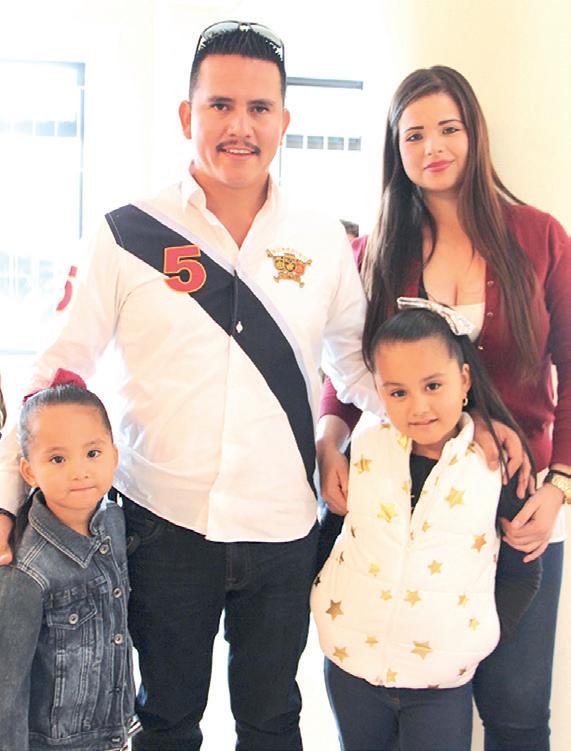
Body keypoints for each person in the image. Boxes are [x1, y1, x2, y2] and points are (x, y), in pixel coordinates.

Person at [0, 21, 381, 751]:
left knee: (273, 721)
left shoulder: (323, 240)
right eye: (220, 105)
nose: (241, 126)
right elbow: (53, 374)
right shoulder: (126, 233)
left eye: (259, 108)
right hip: (160, 524)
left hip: (282, 527)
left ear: (284, 121)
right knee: (166, 719)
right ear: (187, 115)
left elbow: (358, 371)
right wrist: (6, 499)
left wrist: (451, 429)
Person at [317, 66, 571, 750]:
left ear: (474, 133)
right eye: (413, 135)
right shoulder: (376, 251)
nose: (433, 146)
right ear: (394, 149)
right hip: (406, 508)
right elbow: (349, 367)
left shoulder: (540, 237)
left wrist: (560, 487)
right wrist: (328, 440)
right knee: (410, 702)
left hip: (518, 506)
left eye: (448, 128)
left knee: (517, 711)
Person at [312, 301, 542, 751]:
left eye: (433, 386)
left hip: (441, 685)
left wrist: (477, 636)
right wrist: (321, 601)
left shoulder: (496, 466)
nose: (418, 406)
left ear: (464, 381)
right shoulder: (365, 449)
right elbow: (331, 535)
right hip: (350, 665)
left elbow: (523, 572)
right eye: (397, 392)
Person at [0, 369, 134, 751]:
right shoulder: (25, 573)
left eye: (93, 453)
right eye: (57, 458)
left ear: (114, 456)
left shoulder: (115, 523)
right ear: (29, 471)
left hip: (115, 734)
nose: (79, 471)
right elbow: (6, 695)